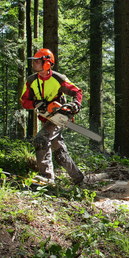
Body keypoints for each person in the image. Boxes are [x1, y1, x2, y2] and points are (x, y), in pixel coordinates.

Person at [20, 48, 84, 185]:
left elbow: (77, 92)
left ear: (47, 63)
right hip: (46, 116)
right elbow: (24, 101)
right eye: (34, 61)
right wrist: (37, 104)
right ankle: (78, 178)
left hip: (59, 116)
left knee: (41, 138)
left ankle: (47, 177)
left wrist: (75, 104)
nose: (34, 64)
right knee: (59, 152)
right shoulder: (31, 80)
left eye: (37, 61)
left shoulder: (58, 78)